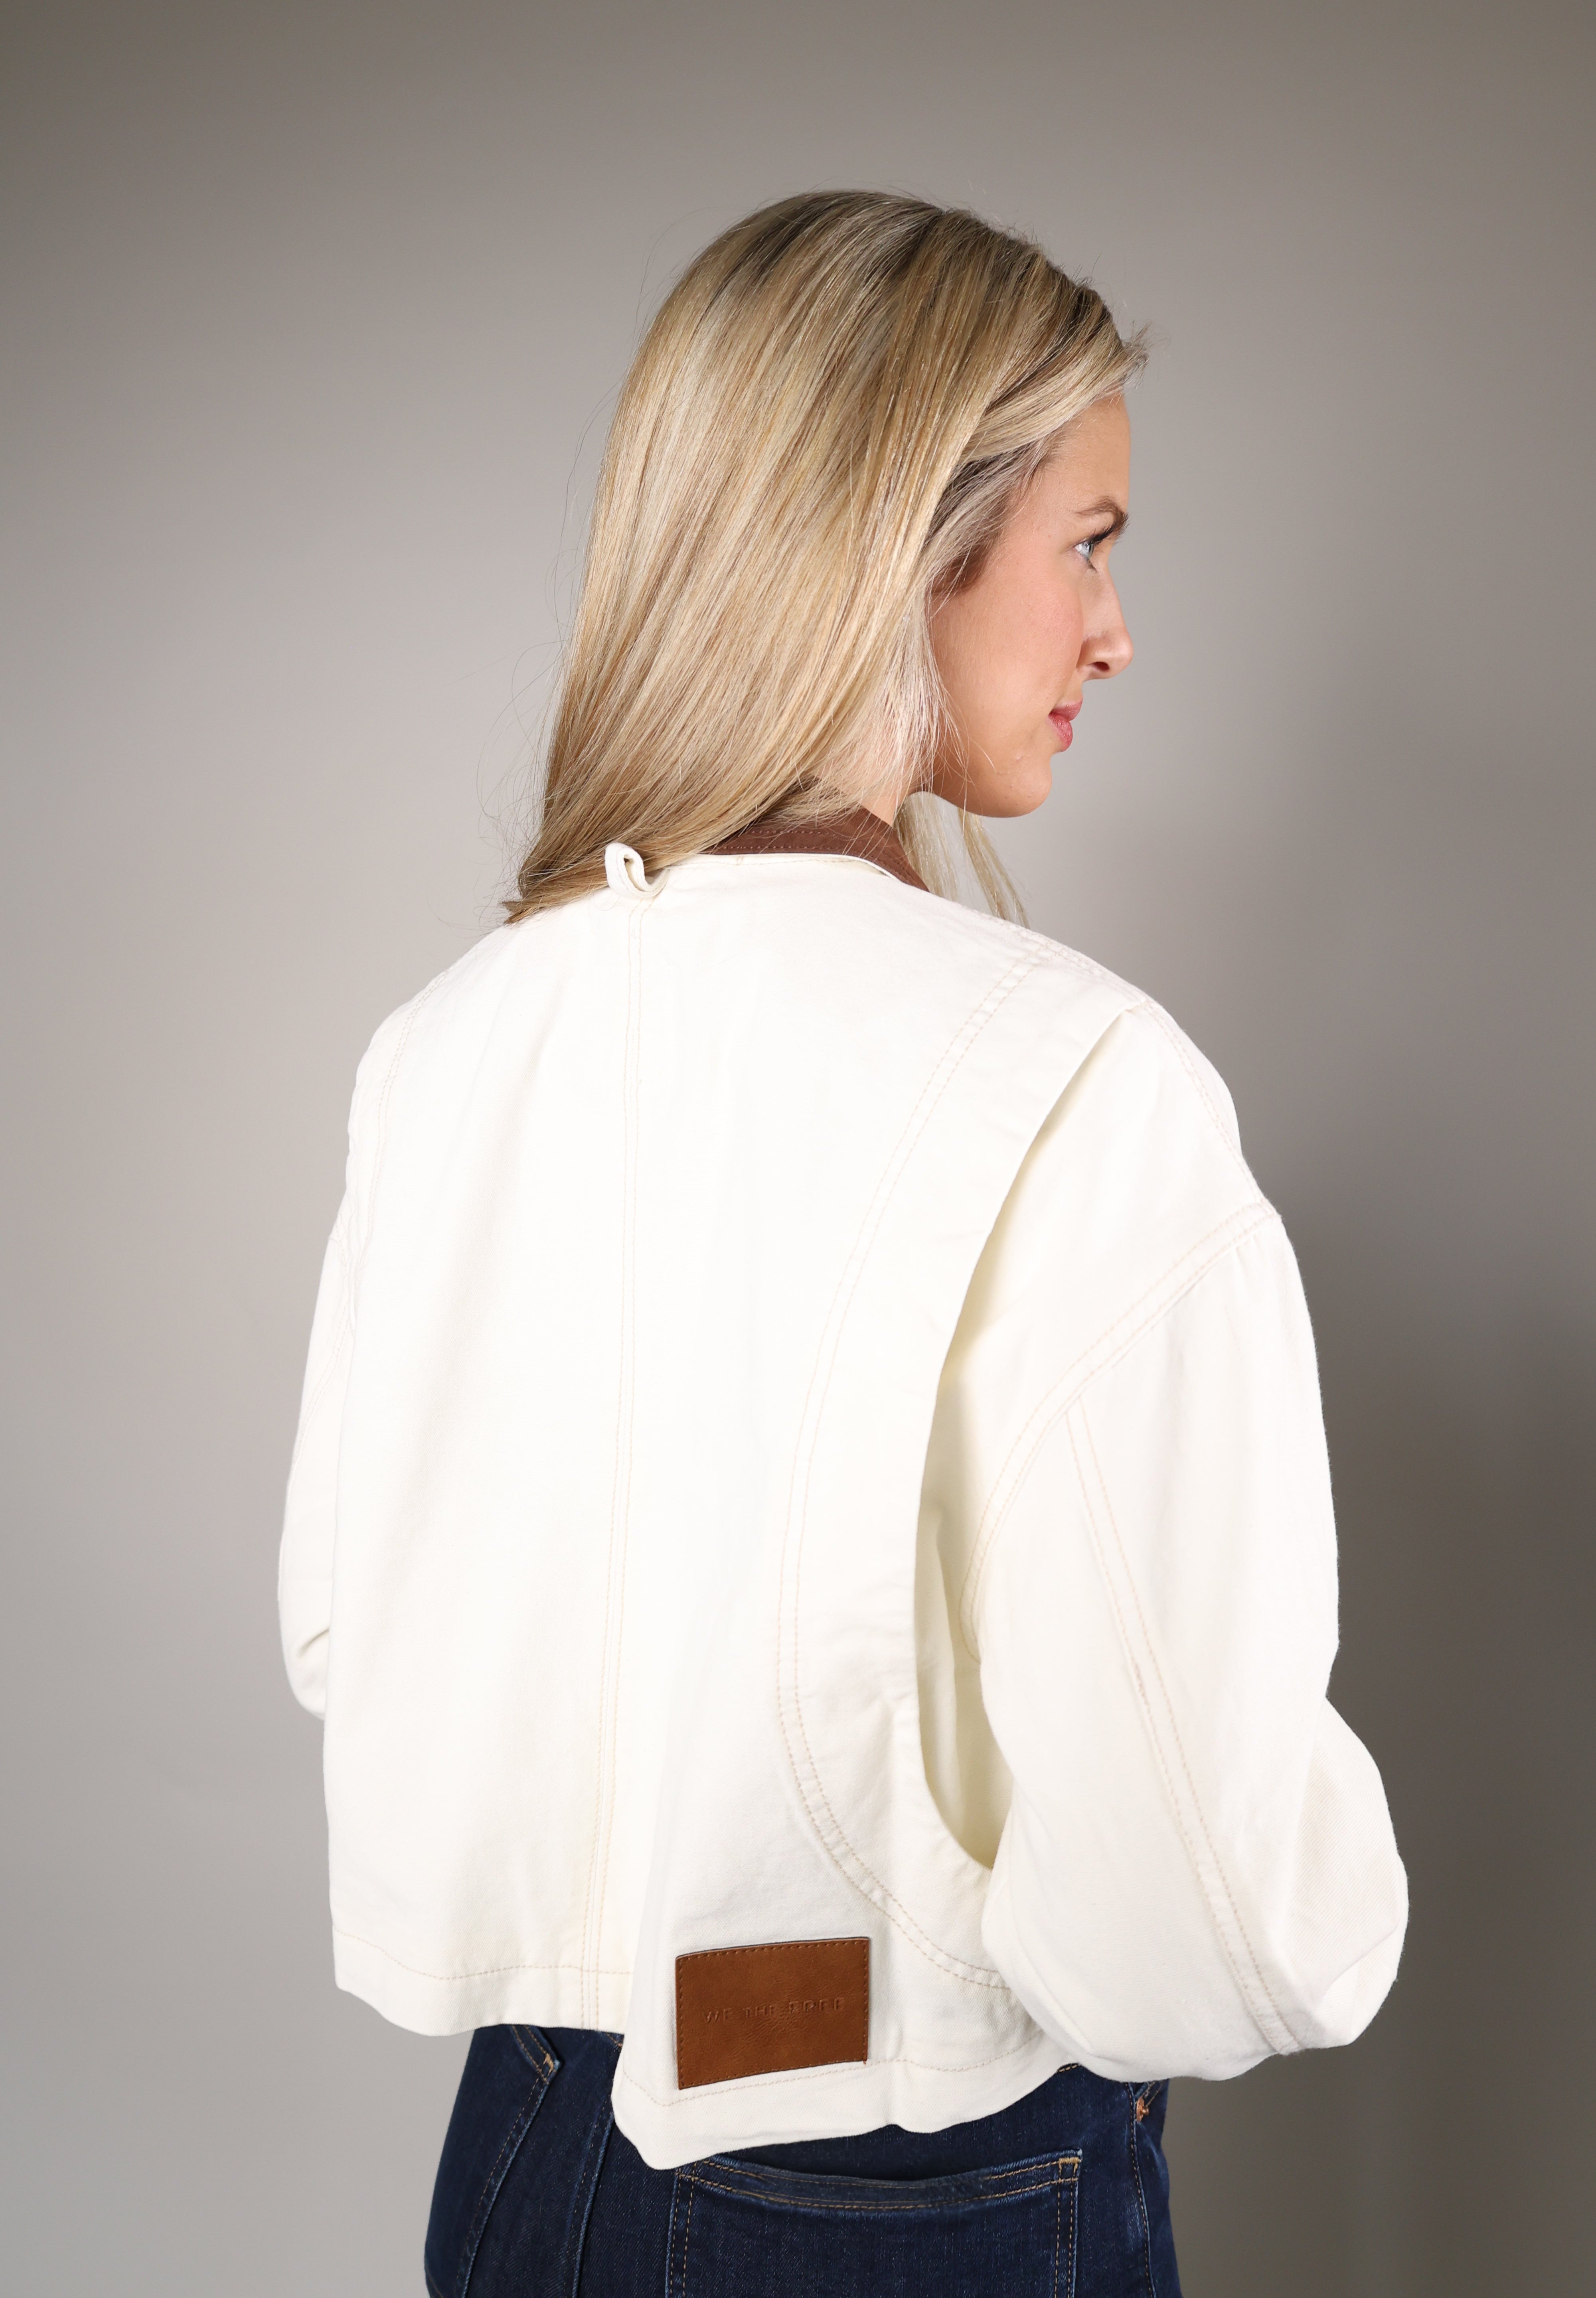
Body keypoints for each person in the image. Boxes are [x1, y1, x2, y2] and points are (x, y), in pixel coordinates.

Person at [279, 192, 1407, 2296]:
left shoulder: (451, 1043)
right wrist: (1311, 1927)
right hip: (908, 2185)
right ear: (905, 545)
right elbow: (1201, 1888)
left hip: (522, 2157)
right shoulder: (1079, 1081)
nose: (1116, 633)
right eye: (1088, 544)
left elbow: (359, 1643)